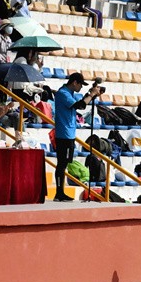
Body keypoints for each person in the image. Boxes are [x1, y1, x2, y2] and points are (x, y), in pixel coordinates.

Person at [53, 73, 104, 201]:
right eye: (80, 84)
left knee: (64, 163)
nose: (81, 87)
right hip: (63, 133)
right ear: (75, 82)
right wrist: (90, 94)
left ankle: (60, 192)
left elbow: (81, 103)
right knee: (62, 164)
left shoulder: (70, 94)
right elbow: (80, 105)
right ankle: (59, 193)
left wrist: (91, 95)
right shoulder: (63, 93)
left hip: (69, 133)